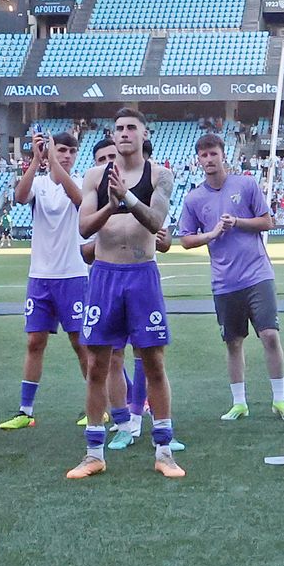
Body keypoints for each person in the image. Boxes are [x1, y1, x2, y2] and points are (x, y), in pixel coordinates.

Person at [69, 108, 182, 480]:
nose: (124, 133)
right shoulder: (94, 176)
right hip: (104, 277)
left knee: (154, 364)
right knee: (97, 365)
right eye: (118, 128)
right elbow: (85, 227)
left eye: (131, 127)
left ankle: (164, 450)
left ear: (144, 134)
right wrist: (111, 203)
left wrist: (128, 198)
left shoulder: (160, 175)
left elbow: (156, 221)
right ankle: (93, 452)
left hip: (142, 275)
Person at [178, 132, 284, 421]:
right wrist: (212, 234)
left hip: (257, 275)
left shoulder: (245, 184)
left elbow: (268, 221)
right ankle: (239, 402)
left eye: (213, 153)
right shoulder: (194, 198)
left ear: (223, 155)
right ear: (198, 160)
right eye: (203, 155)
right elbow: (185, 240)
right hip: (224, 281)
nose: (208, 159)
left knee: (269, 335)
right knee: (233, 342)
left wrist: (238, 222)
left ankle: (279, 400)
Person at [0, 130, 91, 430]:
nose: (64, 155)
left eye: (69, 151)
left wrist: (53, 160)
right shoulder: (38, 184)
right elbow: (19, 196)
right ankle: (25, 411)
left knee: (81, 343)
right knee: (35, 342)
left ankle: (96, 404)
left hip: (73, 274)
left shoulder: (79, 182)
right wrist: (38, 160)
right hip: (40, 276)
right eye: (60, 150)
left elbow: (79, 201)